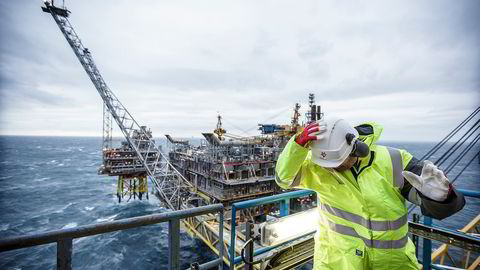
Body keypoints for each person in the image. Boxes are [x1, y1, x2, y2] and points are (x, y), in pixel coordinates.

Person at [275, 116, 465, 270]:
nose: (335, 169)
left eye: (339, 162)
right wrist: (296, 146)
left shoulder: (394, 160)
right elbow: (283, 179)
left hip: (392, 264)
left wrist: (442, 198)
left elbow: (437, 208)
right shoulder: (319, 167)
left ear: (357, 148)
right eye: (330, 165)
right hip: (337, 263)